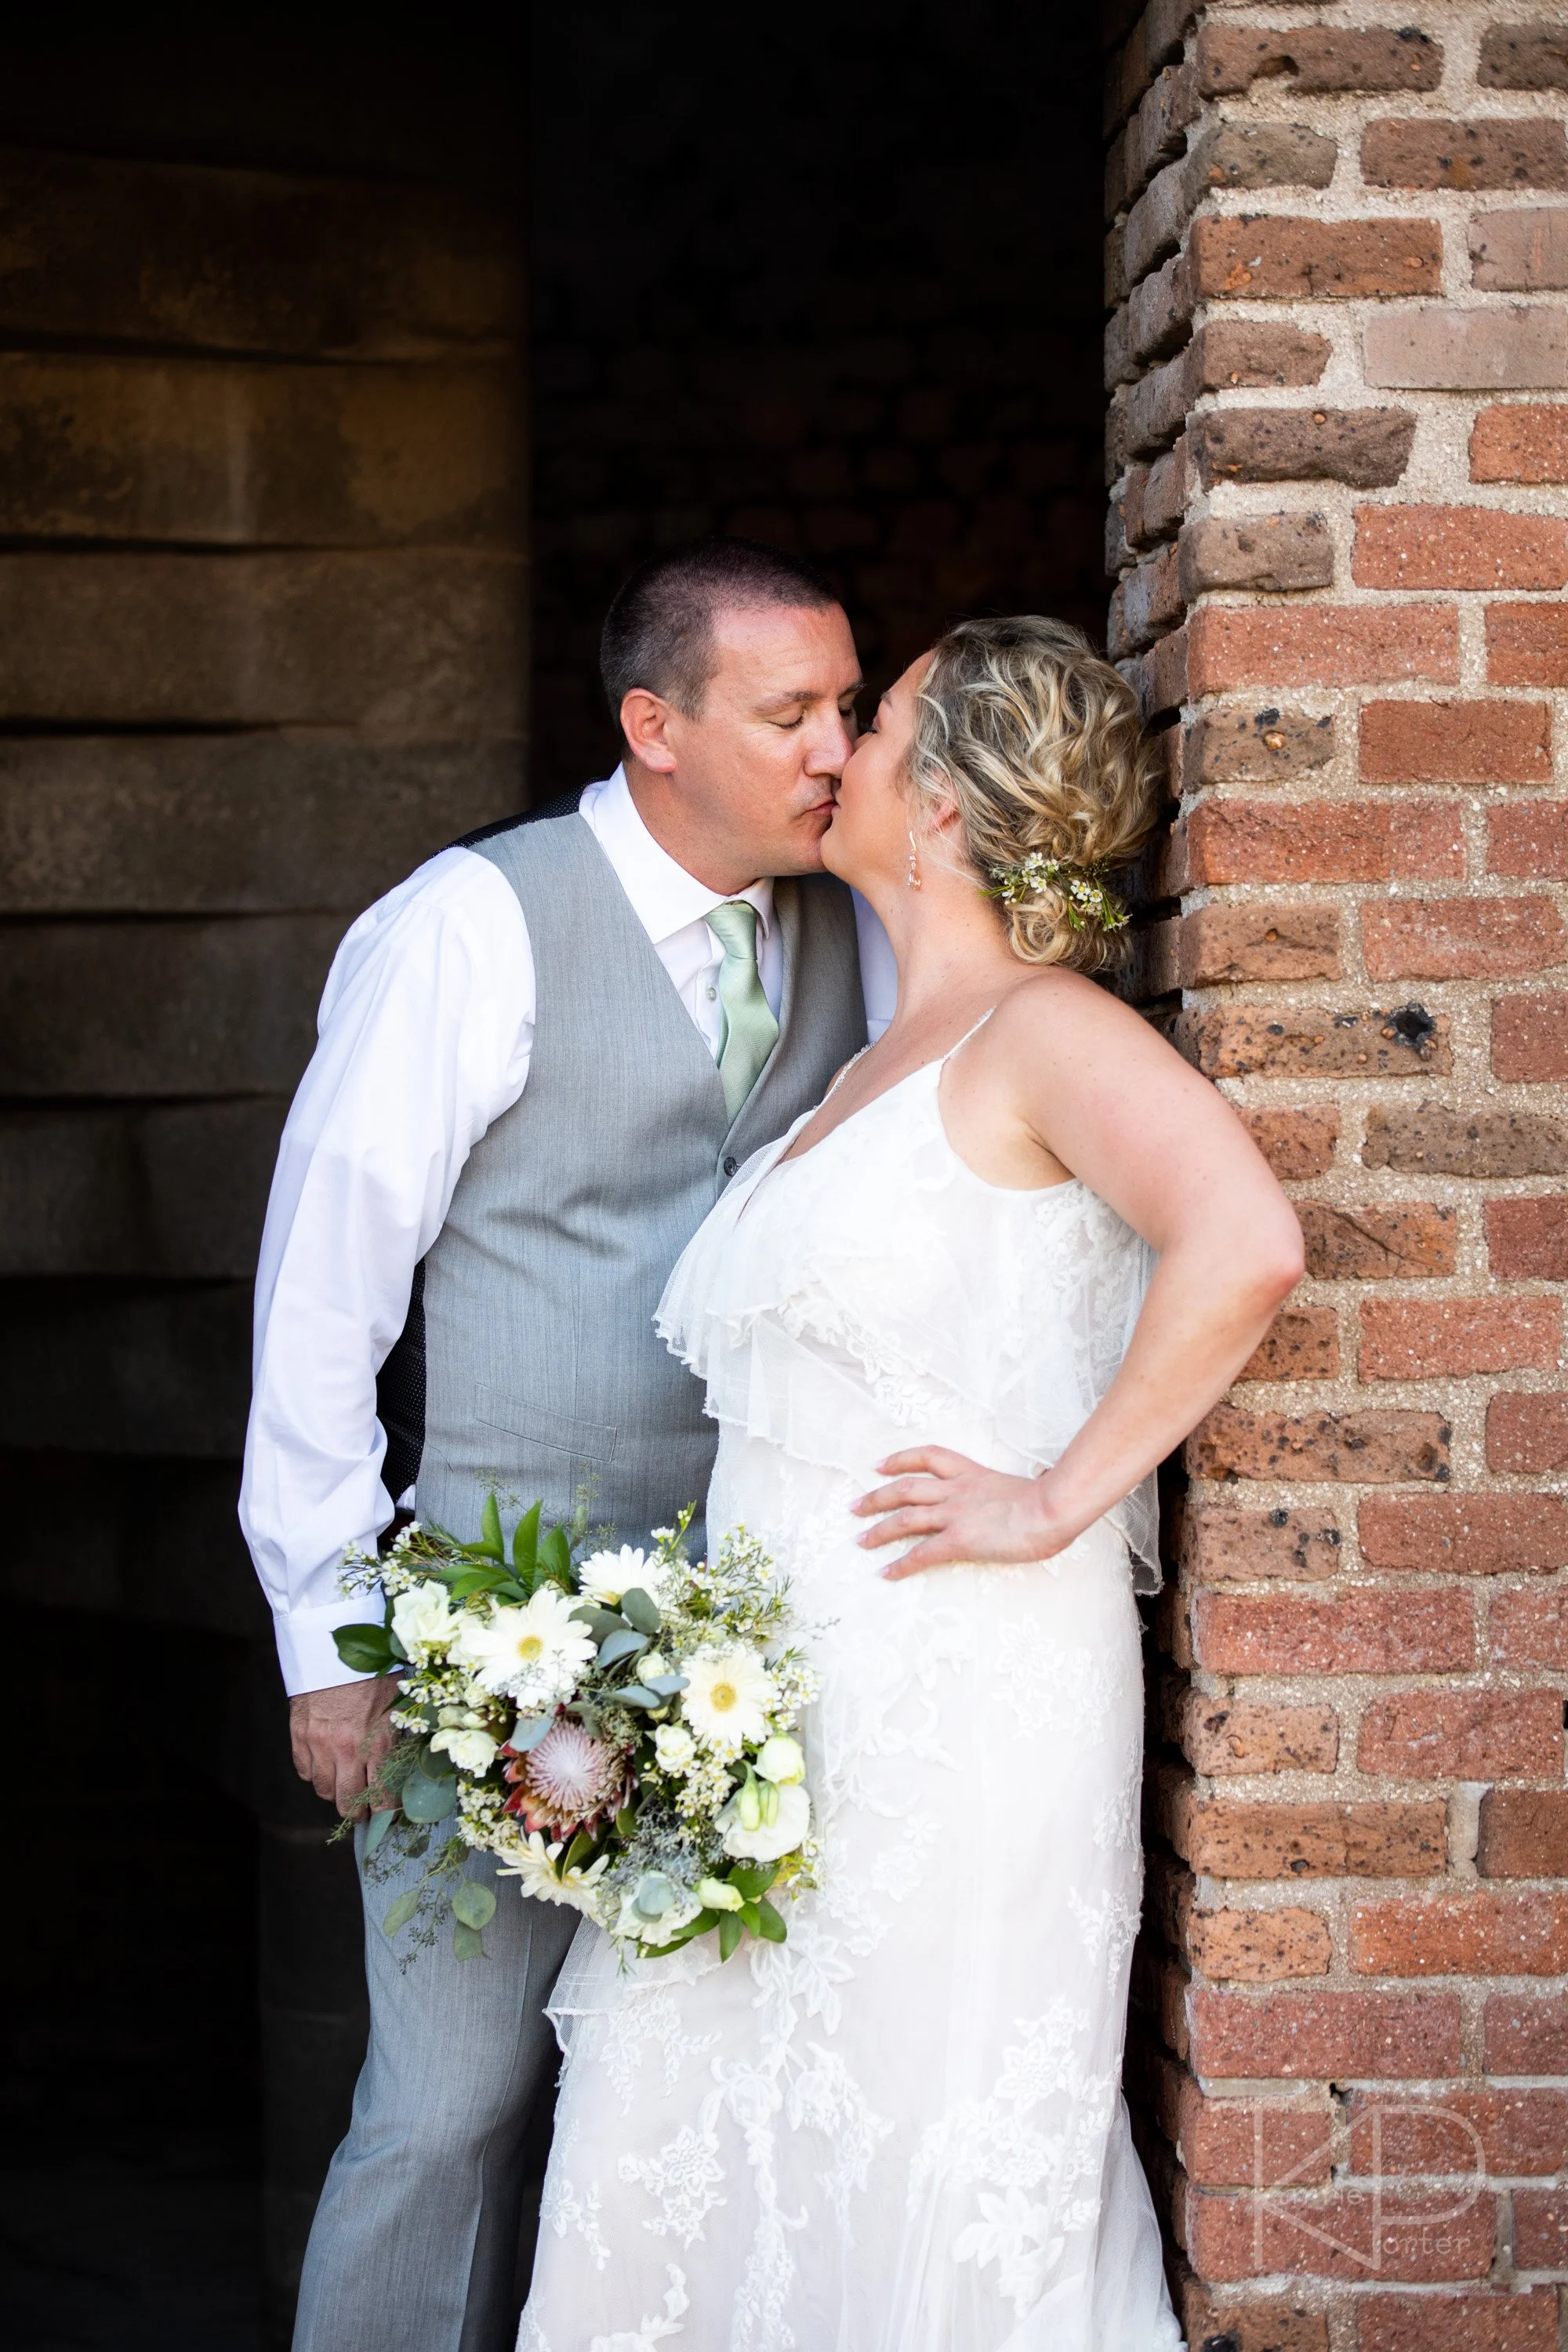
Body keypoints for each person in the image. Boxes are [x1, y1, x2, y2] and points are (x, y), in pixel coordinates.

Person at [519, 616, 1305, 2351]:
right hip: (787, 1715)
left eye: (872, 729)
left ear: (941, 810)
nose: (836, 753)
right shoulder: (873, 1051)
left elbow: (1243, 1239)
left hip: (960, 1699)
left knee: (914, 2138)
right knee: (724, 2145)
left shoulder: (1042, 1033)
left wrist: (1051, 1495)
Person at [239, 537, 898, 2352]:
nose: (839, 749)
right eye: (792, 714)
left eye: (846, 705)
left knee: (691, 2106)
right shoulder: (472, 924)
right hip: (494, 1638)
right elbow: (321, 1299)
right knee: (450, 2110)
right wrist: (334, 1636)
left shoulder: (864, 924)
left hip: (769, 1632)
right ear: (654, 727)